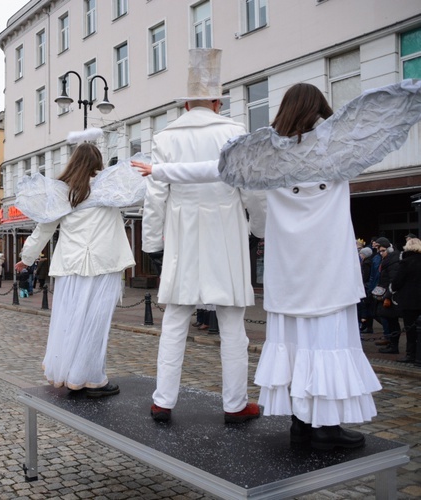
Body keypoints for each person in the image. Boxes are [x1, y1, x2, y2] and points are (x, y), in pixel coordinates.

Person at [135, 79, 421, 449]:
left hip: (278, 270)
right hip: (321, 266)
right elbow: (241, 187)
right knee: (309, 338)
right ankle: (308, 422)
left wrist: (159, 175)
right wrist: (255, 229)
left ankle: (295, 423)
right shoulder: (334, 149)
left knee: (282, 340)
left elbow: (216, 169)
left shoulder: (265, 154)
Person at [136, 49, 266, 424]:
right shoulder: (234, 132)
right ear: (215, 101)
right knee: (232, 323)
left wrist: (153, 245)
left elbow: (155, 197)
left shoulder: (165, 137)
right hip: (224, 231)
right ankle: (235, 403)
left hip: (182, 233)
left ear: (186, 103)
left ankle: (163, 400)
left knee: (175, 320)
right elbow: (251, 189)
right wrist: (259, 229)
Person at [14, 135, 145, 398]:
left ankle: (67, 373)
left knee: (68, 321)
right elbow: (139, 193)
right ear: (98, 163)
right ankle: (92, 378)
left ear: (73, 163)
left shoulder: (63, 192)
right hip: (103, 263)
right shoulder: (109, 188)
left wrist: (26, 258)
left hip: (71, 265)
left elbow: (44, 229)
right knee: (95, 323)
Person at [390, 238, 421, 366]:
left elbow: (397, 281)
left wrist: (393, 289)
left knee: (410, 329)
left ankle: (411, 354)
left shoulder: (406, 263)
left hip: (410, 300)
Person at [374, 238, 402, 354]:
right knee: (385, 318)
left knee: (392, 321)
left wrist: (387, 296)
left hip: (389, 296)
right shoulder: (388, 261)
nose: (381, 253)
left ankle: (393, 345)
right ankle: (391, 342)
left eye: (383, 250)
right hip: (385, 293)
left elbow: (393, 280)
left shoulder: (392, 262)